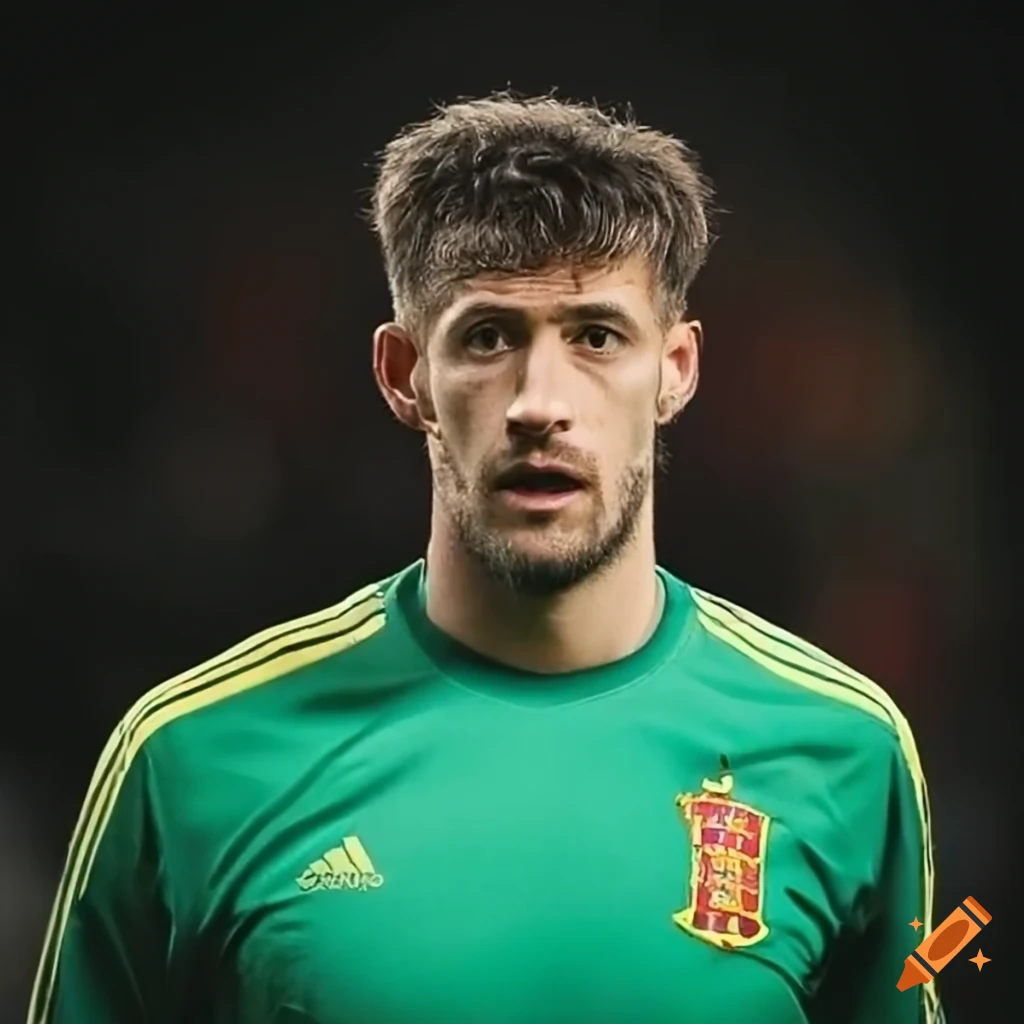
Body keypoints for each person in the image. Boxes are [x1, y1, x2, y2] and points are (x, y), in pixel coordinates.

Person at [27, 93, 942, 1024]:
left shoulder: (848, 750)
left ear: (676, 370)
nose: (539, 402)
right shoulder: (190, 758)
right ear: (406, 375)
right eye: (488, 336)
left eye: (596, 336)